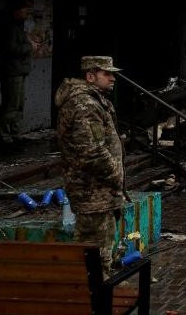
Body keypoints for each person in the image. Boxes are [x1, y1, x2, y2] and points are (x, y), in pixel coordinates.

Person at [55, 56, 125, 276]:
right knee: (92, 251)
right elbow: (92, 151)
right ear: (90, 76)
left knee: (102, 249)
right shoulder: (84, 104)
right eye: (107, 74)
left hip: (100, 192)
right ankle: (93, 297)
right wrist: (115, 173)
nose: (112, 78)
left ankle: (100, 290)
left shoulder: (96, 100)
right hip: (92, 191)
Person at [0, 0, 35, 148]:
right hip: (11, 70)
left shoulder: (14, 26)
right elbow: (12, 49)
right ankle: (5, 136)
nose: (26, 13)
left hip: (17, 70)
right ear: (16, 11)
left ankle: (15, 134)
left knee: (17, 104)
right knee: (11, 105)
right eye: (24, 10)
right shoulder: (8, 27)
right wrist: (29, 46)